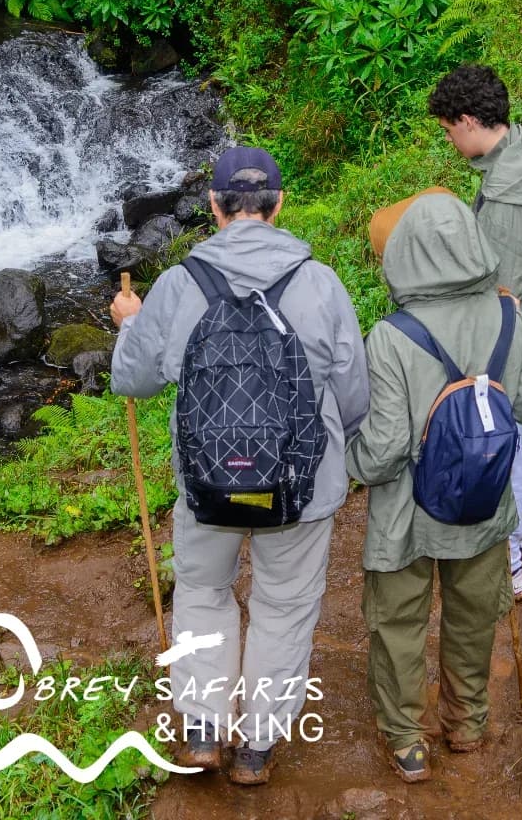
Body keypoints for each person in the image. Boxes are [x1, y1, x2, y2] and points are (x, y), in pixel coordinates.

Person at [108, 145, 369, 786]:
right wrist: (338, 459)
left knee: (203, 590)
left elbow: (130, 381)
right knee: (283, 605)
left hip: (205, 485)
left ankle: (200, 729)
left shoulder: (177, 286)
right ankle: (255, 748)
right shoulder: (321, 283)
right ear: (279, 205)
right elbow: (355, 394)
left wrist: (129, 325)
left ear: (215, 209)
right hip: (299, 487)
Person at [348, 189, 522, 784]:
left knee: (398, 624)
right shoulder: (507, 313)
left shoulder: (392, 334)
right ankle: (466, 724)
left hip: (404, 515)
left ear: (404, 255)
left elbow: (383, 452)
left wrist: (350, 463)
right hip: (484, 504)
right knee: (471, 617)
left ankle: (408, 741)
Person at [426, 64, 522, 602]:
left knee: (496, 437)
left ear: (469, 120)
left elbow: (500, 290)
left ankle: (511, 561)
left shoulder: (505, 202)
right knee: (515, 436)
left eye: (449, 129)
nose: (449, 139)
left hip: (512, 329)